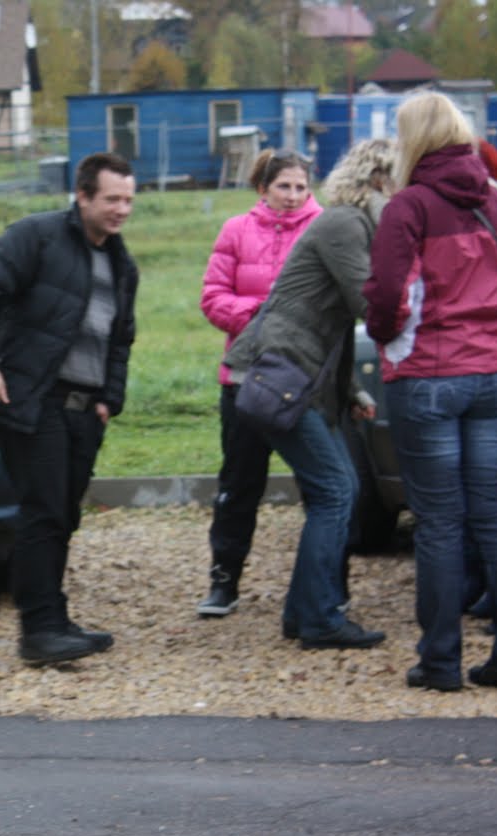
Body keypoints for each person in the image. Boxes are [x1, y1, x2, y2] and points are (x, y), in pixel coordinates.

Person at [364, 91, 497, 691]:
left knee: (439, 523)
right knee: (492, 513)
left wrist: (388, 340)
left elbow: (390, 294)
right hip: (492, 375)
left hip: (428, 377)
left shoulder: (408, 206)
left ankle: (440, 661)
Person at [0, 152, 139, 666]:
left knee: (63, 515)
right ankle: (38, 631)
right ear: (82, 195)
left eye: (128, 200)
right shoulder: (35, 237)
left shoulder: (121, 263)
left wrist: (108, 400)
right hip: (34, 400)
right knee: (42, 512)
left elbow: (121, 339)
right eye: (112, 199)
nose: (121, 210)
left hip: (85, 410)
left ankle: (55, 620)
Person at [223, 138, 396, 650]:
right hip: (280, 377)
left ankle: (304, 613)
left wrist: (351, 390)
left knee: (336, 489)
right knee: (337, 490)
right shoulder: (346, 224)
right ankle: (319, 617)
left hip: (292, 377)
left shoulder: (354, 224)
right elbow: (368, 306)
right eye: (400, 182)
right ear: (379, 180)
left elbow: (331, 325)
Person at [197, 148, 323, 617]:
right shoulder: (236, 230)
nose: (292, 196)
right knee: (239, 483)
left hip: (304, 377)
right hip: (245, 377)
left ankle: (327, 581)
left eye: (300, 187)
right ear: (263, 189)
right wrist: (259, 315)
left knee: (322, 485)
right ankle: (224, 579)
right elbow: (213, 297)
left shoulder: (322, 228)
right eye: (283, 186)